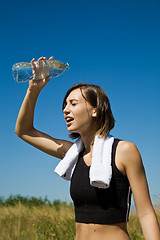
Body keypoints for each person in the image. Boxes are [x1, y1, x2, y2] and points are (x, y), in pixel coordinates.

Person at [15, 56, 160, 240]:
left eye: (73, 104)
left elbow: (146, 213)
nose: (65, 109)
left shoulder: (124, 151)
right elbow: (24, 131)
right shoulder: (72, 154)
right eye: (65, 105)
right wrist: (33, 91)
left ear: (95, 110)